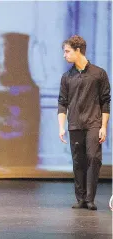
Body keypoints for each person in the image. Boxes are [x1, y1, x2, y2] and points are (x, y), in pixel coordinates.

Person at [58, 35, 110, 210]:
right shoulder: (67, 77)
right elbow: (62, 103)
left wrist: (104, 126)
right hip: (74, 124)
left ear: (78, 50)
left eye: (67, 51)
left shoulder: (98, 73)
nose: (64, 55)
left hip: (94, 123)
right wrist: (61, 126)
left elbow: (105, 101)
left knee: (93, 158)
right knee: (78, 161)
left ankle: (90, 198)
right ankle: (80, 198)